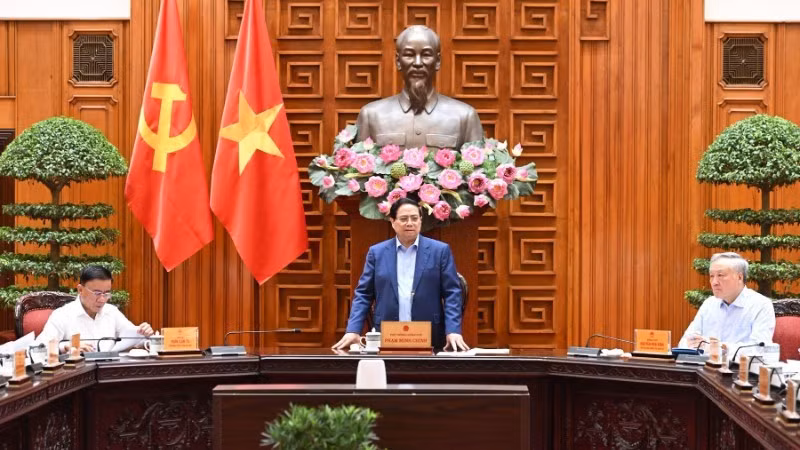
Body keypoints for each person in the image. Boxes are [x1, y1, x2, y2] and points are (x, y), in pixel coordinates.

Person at [333, 198, 469, 351]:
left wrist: (453, 330)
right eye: (404, 219)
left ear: (421, 220)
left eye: (414, 218)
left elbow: (452, 293)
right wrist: (353, 330)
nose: (409, 223)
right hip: (387, 334)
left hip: (430, 335)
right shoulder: (377, 253)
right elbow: (363, 294)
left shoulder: (440, 251)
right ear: (392, 221)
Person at [355, 25, 483, 150]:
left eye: (426, 55)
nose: (417, 63)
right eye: (409, 55)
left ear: (437, 61)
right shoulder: (371, 115)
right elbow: (356, 169)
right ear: (398, 61)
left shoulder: (464, 116)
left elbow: (479, 169)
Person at [36, 265, 154, 353]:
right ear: (80, 290)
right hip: (77, 378)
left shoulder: (111, 312)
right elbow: (38, 348)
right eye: (97, 293)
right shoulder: (62, 315)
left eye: (106, 293)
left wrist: (145, 334)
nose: (102, 299)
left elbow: (133, 337)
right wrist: (65, 347)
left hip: (109, 373)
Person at [678, 252, 775, 354]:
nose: (714, 282)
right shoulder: (709, 304)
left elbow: (759, 349)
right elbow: (685, 342)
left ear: (739, 277)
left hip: (738, 369)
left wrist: (719, 348)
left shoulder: (761, 305)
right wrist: (694, 344)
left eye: (720, 275)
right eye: (711, 276)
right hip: (704, 367)